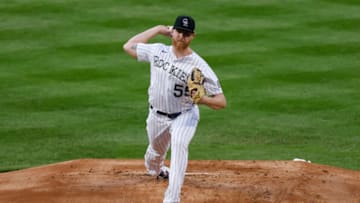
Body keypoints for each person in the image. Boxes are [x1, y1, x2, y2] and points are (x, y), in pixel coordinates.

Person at [123, 15, 226, 203]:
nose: (181, 37)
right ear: (173, 31)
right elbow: (128, 46)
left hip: (184, 115)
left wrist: (202, 99)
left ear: (192, 36)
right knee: (155, 156)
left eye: (186, 34)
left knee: (179, 145)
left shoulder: (199, 66)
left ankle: (172, 198)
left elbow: (221, 101)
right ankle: (157, 168)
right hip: (157, 115)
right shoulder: (158, 51)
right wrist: (157, 29)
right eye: (178, 31)